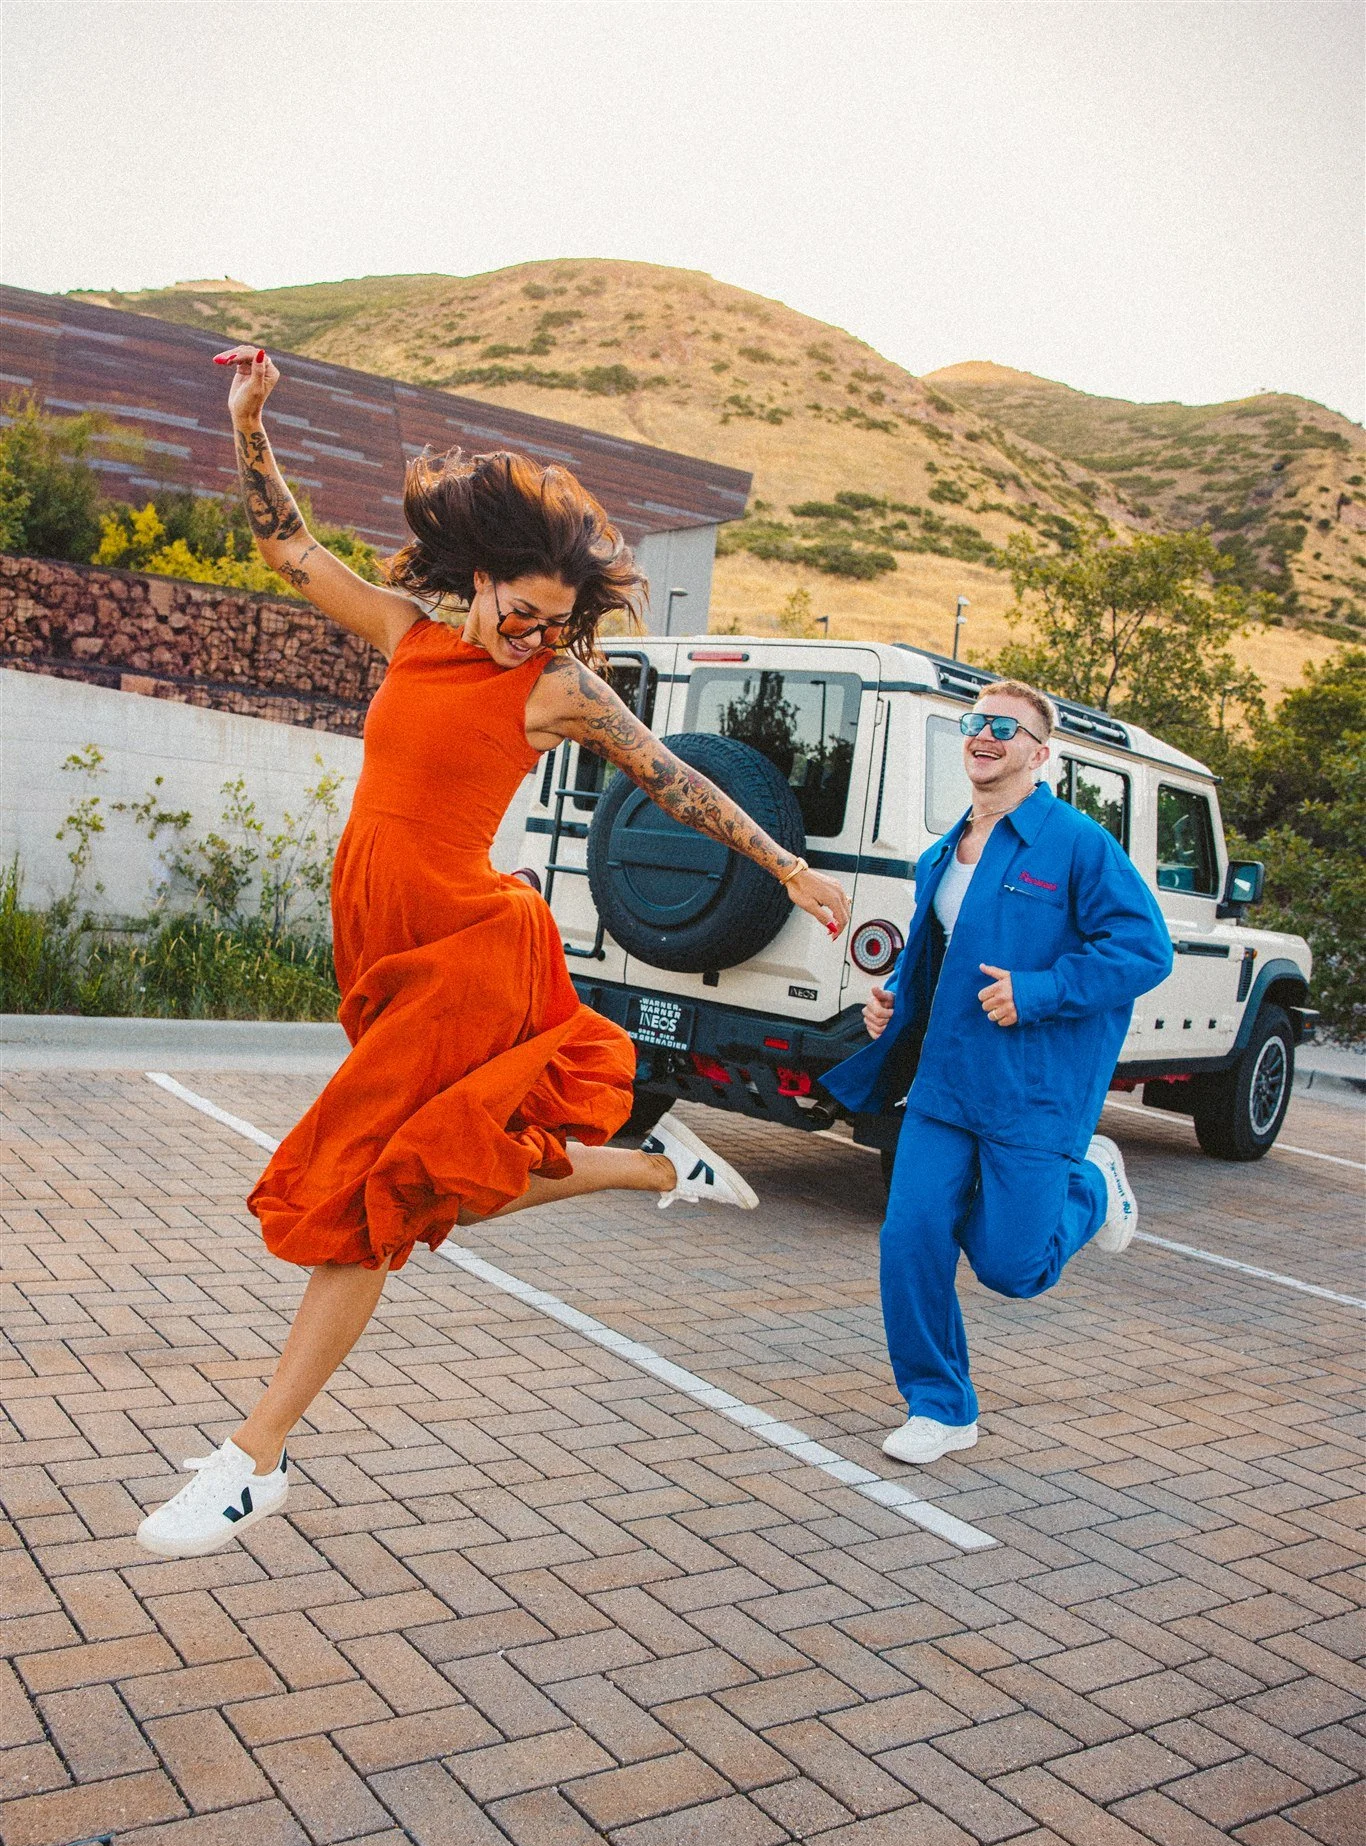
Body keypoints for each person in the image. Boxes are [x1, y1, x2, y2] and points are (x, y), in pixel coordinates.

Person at [137, 344, 849, 1559]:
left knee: (372, 1196)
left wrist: (787, 869)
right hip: (384, 949)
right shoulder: (411, 633)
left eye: (556, 624)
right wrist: (248, 420)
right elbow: (289, 548)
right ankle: (652, 1167)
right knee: (440, 1180)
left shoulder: (560, 685)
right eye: (521, 614)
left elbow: (670, 777)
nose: (535, 637)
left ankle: (254, 1458)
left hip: (468, 945)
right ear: (475, 580)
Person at [823, 681, 1172, 1466]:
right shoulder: (940, 854)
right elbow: (934, 957)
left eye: (1005, 728)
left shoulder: (1077, 843)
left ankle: (1092, 1184)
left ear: (1039, 753)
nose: (985, 735)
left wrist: (1039, 991)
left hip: (1032, 1091)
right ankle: (940, 1407)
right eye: (976, 722)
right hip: (944, 1085)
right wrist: (891, 1004)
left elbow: (1145, 951)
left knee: (1014, 1269)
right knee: (911, 1237)